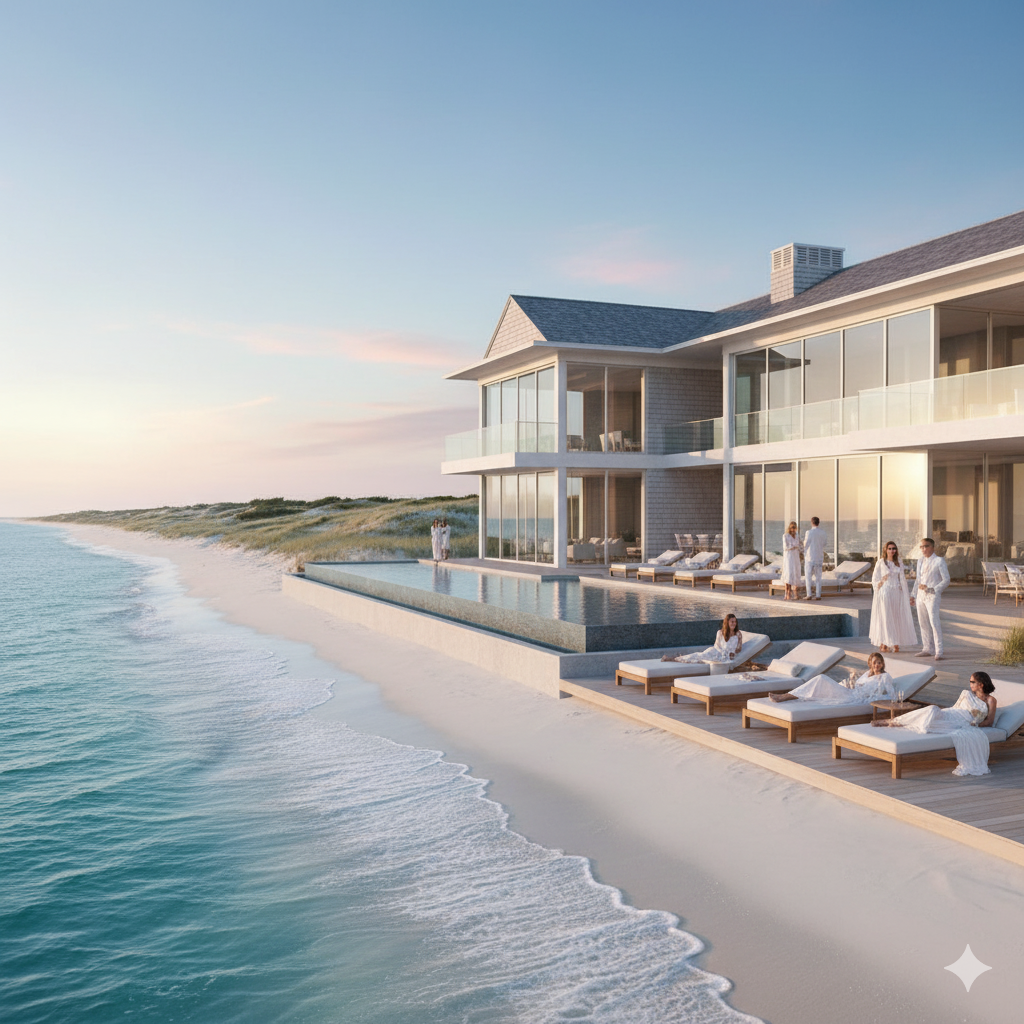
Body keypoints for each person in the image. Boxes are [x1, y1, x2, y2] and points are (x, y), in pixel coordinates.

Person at [872, 671, 997, 777]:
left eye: (972, 682)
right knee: (932, 709)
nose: (970, 684)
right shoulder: (966, 694)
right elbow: (955, 707)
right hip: (952, 714)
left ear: (981, 684)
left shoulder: (991, 700)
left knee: (930, 720)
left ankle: (900, 722)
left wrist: (974, 725)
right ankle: (893, 721)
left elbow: (990, 721)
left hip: (963, 722)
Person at [770, 651, 893, 703]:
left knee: (821, 678)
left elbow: (891, 694)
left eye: (879, 662)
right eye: (874, 662)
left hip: (853, 698)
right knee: (820, 680)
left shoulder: (884, 677)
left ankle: (787, 696)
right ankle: (788, 695)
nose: (877, 665)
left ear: (882, 664)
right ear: (870, 663)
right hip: (849, 692)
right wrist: (851, 682)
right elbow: (857, 686)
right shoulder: (867, 674)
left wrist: (876, 699)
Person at [869, 541, 917, 653]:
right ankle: (884, 642)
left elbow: (902, 579)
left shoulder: (898, 561)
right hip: (885, 592)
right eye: (890, 548)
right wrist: (881, 581)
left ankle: (895, 642)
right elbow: (874, 579)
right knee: (886, 617)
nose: (892, 551)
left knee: (896, 616)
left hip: (896, 592)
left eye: (894, 548)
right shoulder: (881, 562)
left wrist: (906, 593)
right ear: (886, 550)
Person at [915, 537, 950, 660]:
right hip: (920, 596)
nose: (924, 549)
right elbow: (918, 580)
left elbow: (946, 580)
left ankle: (939, 650)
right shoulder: (920, 561)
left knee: (934, 622)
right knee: (922, 622)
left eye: (926, 546)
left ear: (932, 547)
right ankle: (927, 648)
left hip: (932, 596)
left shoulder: (939, 561)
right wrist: (913, 595)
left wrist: (932, 589)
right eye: (922, 546)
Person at [661, 613, 743, 663]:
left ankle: (675, 658)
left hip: (728, 656)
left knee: (697, 657)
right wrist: (722, 653)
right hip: (715, 652)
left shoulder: (738, 634)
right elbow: (717, 646)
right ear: (727, 622)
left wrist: (732, 653)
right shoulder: (720, 633)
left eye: (735, 621)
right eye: (732, 621)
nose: (734, 623)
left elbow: (739, 648)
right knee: (697, 656)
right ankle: (673, 659)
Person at [803, 516, 828, 601]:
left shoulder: (809, 532)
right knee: (818, 577)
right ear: (818, 522)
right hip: (819, 557)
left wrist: (803, 552)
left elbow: (805, 544)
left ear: (811, 522)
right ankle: (818, 595)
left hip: (810, 558)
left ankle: (809, 594)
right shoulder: (823, 533)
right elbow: (824, 543)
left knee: (808, 577)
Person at [781, 521, 803, 600]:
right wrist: (794, 546)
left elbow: (800, 545)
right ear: (789, 528)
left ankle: (795, 593)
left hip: (795, 556)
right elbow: (785, 547)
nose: (793, 529)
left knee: (796, 572)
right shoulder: (785, 536)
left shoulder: (797, 535)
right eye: (792, 528)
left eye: (795, 528)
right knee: (789, 573)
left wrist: (802, 551)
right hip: (789, 557)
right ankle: (787, 593)